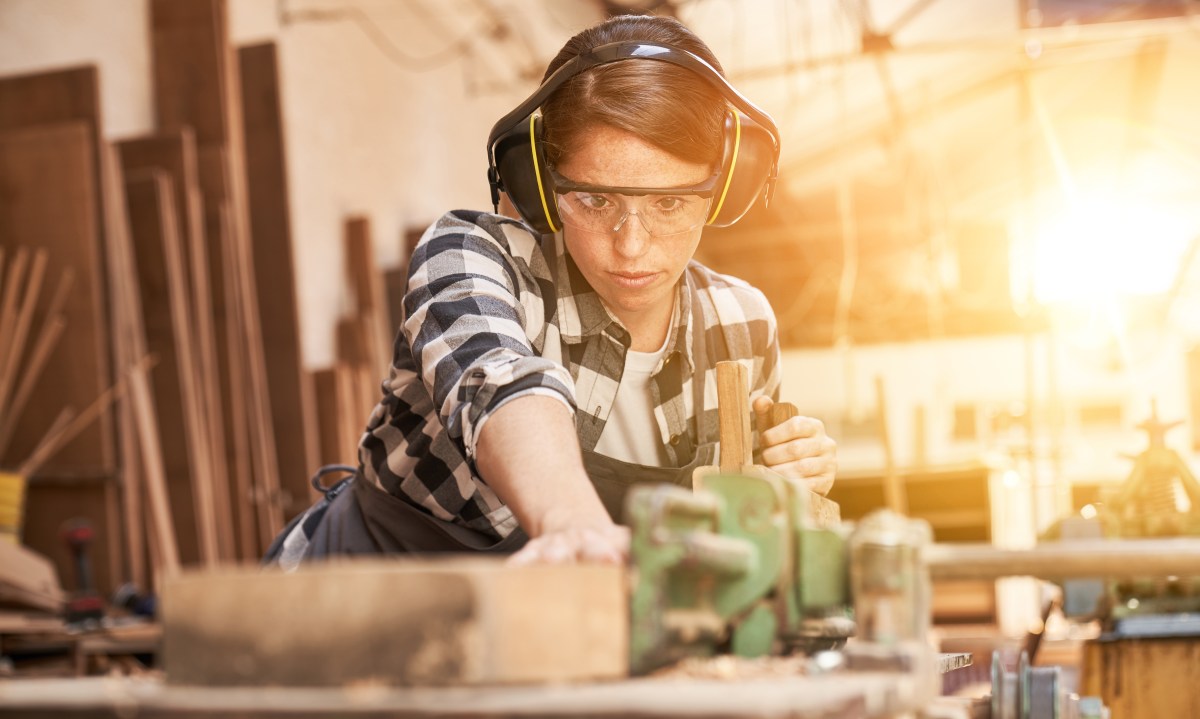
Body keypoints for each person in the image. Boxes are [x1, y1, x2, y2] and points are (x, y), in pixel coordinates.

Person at [265, 14, 837, 569]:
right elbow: (503, 389)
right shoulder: (472, 258)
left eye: (669, 203)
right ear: (539, 183)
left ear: (724, 186)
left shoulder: (740, 323)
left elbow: (732, 542)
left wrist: (783, 484)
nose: (632, 246)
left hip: (539, 634)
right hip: (353, 605)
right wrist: (573, 525)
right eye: (596, 200)